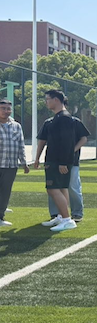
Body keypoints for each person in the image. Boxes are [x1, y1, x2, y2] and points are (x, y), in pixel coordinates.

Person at [34, 90, 77, 232]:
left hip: (58, 161)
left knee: (52, 189)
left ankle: (67, 219)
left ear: (56, 100)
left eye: (48, 99)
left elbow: (66, 141)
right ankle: (61, 216)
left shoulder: (63, 118)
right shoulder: (59, 117)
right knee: (61, 188)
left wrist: (63, 162)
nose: (46, 102)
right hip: (56, 160)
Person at [44, 97, 90, 223]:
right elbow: (43, 139)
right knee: (54, 187)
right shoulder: (50, 122)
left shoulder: (74, 121)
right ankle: (56, 214)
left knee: (72, 187)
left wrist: (72, 150)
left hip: (71, 161)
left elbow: (83, 138)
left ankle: (76, 213)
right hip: (54, 161)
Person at [0, 99, 29, 227]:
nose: (6, 111)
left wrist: (24, 162)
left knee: (5, 192)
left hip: (11, 165)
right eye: (3, 108)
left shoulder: (16, 126)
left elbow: (20, 145)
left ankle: (0, 217)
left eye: (8, 109)